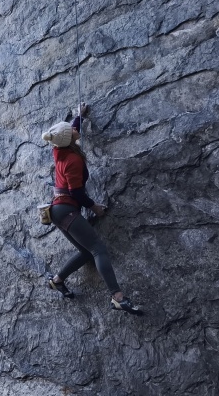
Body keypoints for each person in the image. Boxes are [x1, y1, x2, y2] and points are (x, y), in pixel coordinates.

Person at [41, 105, 143, 315]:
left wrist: (79, 116)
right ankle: (118, 297)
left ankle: (57, 280)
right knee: (98, 249)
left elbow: (68, 133)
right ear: (70, 140)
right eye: (72, 131)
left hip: (58, 210)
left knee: (86, 252)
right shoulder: (74, 160)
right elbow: (76, 192)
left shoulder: (59, 149)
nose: (74, 130)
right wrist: (94, 207)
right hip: (67, 209)